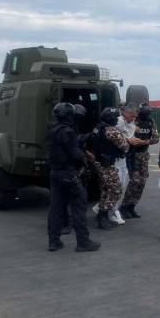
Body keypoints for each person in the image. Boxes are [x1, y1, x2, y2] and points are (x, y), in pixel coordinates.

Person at [47, 103, 101, 252]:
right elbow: (75, 154)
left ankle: (53, 241)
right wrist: (85, 158)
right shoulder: (68, 132)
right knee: (79, 207)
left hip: (55, 173)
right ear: (69, 115)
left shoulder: (53, 130)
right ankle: (83, 242)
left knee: (56, 209)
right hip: (69, 174)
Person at [120, 103, 159, 219]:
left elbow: (156, 138)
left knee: (142, 182)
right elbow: (121, 134)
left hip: (143, 155)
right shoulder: (132, 120)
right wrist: (130, 140)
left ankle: (132, 206)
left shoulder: (151, 122)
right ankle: (124, 206)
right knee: (134, 181)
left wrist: (144, 142)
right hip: (132, 155)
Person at [93, 107, 130, 229]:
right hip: (107, 164)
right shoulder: (112, 131)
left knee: (105, 190)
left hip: (98, 163)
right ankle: (103, 215)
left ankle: (101, 215)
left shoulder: (98, 128)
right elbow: (125, 147)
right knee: (116, 189)